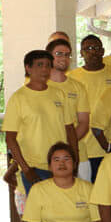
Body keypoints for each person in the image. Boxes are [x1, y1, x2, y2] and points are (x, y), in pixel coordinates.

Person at [4, 50, 79, 222]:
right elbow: (11, 138)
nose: (44, 69)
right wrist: (25, 169)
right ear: (28, 68)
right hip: (34, 168)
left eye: (47, 65)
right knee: (36, 220)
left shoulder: (59, 94)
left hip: (62, 166)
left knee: (67, 215)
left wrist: (73, 161)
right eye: (39, 65)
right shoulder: (19, 98)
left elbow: (69, 131)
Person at [68, 35, 111, 181]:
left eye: (97, 48)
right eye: (88, 49)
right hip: (82, 149)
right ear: (81, 53)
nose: (93, 52)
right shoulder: (71, 78)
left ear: (103, 51)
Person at [45, 39, 91, 180]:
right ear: (48, 56)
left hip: (77, 154)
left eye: (67, 55)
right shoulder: (39, 85)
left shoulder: (78, 87)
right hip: (45, 156)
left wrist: (66, 146)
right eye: (59, 54)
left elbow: (83, 122)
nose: (64, 58)